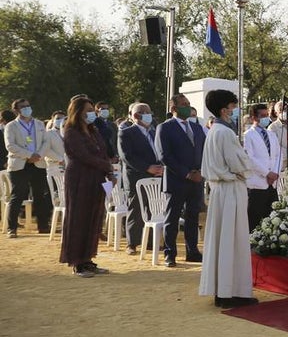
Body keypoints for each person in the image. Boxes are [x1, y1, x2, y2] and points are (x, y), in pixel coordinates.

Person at [198, 89, 260, 308]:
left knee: (224, 240)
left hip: (221, 189)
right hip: (230, 188)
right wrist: (248, 168)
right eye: (233, 107)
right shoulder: (224, 133)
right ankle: (230, 292)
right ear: (224, 110)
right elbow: (239, 163)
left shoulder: (215, 130)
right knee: (233, 240)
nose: (235, 111)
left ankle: (224, 289)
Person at [59, 97, 115, 277]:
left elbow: (103, 152)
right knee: (79, 219)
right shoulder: (71, 131)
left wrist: (110, 173)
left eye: (92, 109)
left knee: (94, 219)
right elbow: (84, 156)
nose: (92, 113)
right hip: (79, 179)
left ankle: (88, 259)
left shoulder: (94, 130)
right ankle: (77, 261)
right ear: (78, 112)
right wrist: (107, 167)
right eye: (88, 110)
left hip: (97, 178)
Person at [155, 94, 206, 266]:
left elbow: (204, 152)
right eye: (184, 104)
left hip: (196, 180)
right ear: (173, 108)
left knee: (193, 218)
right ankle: (170, 253)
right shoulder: (165, 128)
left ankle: (192, 251)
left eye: (189, 104)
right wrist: (186, 173)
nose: (188, 107)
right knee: (172, 218)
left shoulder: (197, 128)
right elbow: (165, 156)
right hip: (177, 180)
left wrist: (200, 172)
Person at [118, 102, 164, 256]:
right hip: (137, 176)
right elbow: (127, 157)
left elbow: (158, 151)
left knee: (153, 208)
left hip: (155, 175)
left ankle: (151, 242)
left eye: (149, 111)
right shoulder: (126, 133)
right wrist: (147, 168)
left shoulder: (153, 132)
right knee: (136, 209)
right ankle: (132, 243)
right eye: (145, 112)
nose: (149, 115)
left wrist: (160, 167)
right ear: (136, 116)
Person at [5, 97, 52, 237]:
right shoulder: (11, 126)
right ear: (16, 110)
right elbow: (10, 146)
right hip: (20, 164)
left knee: (40, 195)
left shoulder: (38, 124)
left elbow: (46, 142)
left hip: (38, 162)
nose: (27, 108)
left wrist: (38, 155)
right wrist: (29, 155)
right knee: (17, 195)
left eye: (28, 106)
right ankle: (12, 228)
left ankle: (43, 225)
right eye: (23, 107)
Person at [242, 103, 281, 232]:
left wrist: (274, 173)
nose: (266, 118)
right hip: (257, 182)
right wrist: (267, 173)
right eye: (262, 116)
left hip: (272, 183)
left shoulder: (271, 134)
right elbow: (250, 158)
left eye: (267, 115)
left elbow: (277, 155)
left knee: (272, 217)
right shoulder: (248, 135)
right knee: (255, 217)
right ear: (254, 117)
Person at [267, 101, 288, 175]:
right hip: (282, 165)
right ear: (276, 113)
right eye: (281, 110)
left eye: (286, 109)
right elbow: (275, 147)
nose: (284, 111)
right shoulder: (272, 128)